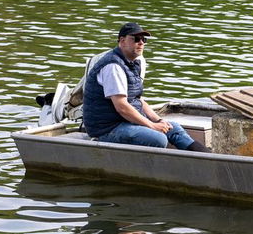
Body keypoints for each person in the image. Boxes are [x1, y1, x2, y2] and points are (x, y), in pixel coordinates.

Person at [80, 22, 209, 152]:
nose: (141, 43)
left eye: (144, 39)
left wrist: (158, 120)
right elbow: (122, 107)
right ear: (122, 41)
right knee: (158, 139)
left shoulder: (132, 63)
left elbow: (138, 99)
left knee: (172, 127)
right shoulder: (113, 66)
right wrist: (152, 126)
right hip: (107, 128)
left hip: (124, 121)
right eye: (136, 39)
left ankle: (207, 157)